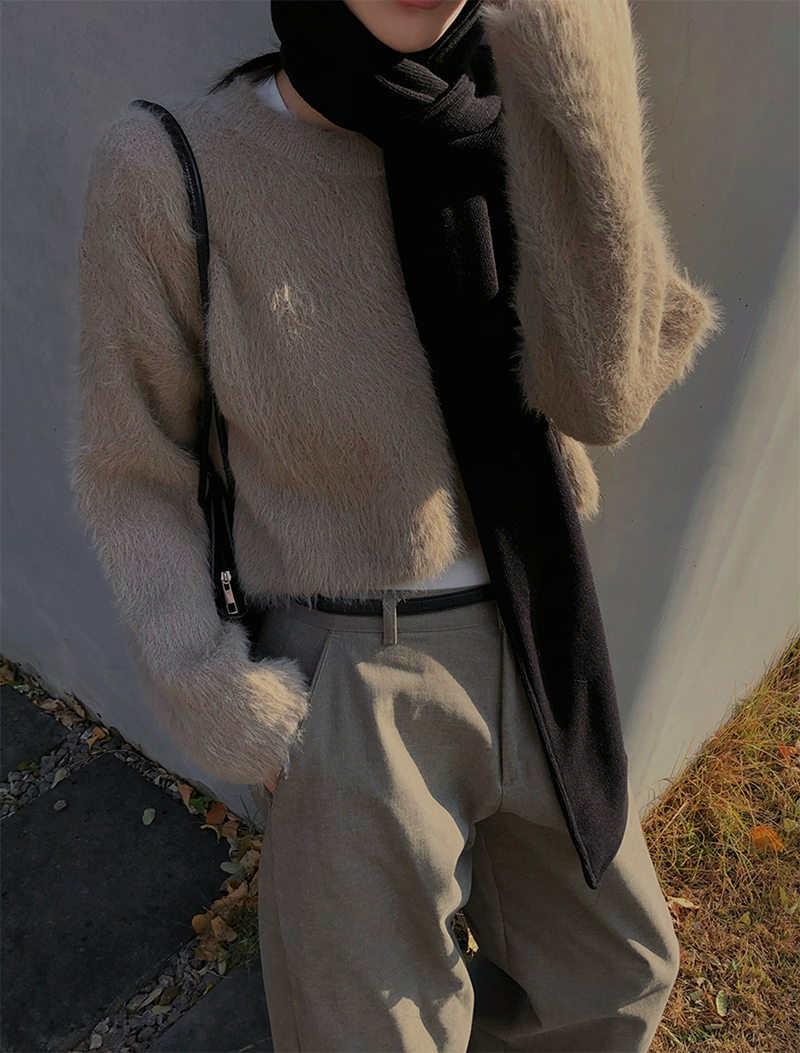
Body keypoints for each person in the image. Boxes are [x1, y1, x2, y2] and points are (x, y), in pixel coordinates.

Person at [73, 1, 722, 1050]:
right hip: (349, 678)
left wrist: (581, 73)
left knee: (616, 979)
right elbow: (133, 467)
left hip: (536, 627)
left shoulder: (521, 113)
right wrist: (210, 685)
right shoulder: (170, 169)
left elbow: (604, 401)